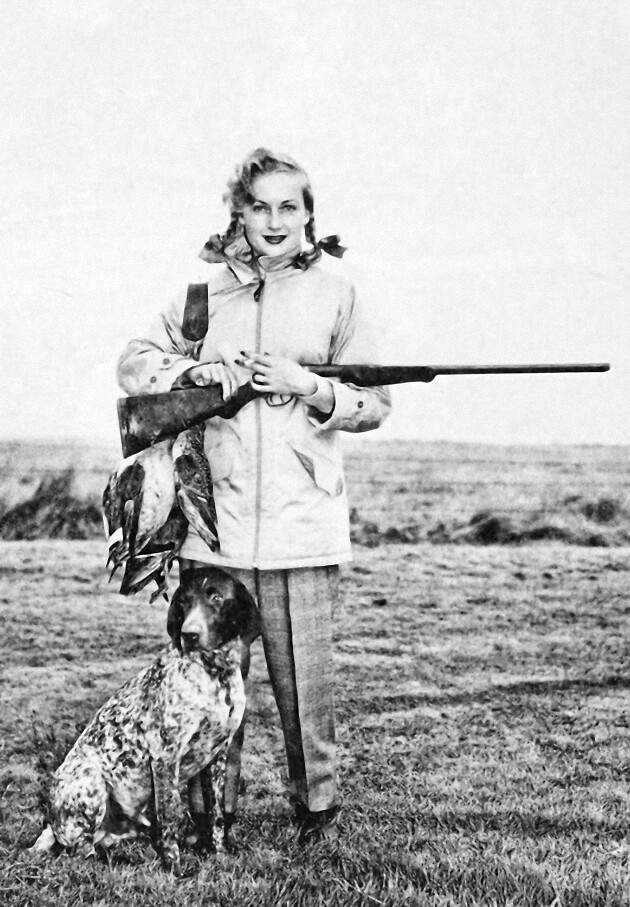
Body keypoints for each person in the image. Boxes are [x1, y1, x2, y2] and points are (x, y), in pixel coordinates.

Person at [117, 148, 391, 844]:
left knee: (308, 687)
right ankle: (212, 816)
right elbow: (135, 362)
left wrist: (311, 387)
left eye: (288, 206)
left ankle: (316, 811)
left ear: (308, 215)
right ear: (237, 212)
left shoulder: (339, 294)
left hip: (304, 523)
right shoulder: (204, 294)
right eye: (259, 206)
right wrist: (196, 373)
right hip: (217, 525)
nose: (273, 221)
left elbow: (376, 402)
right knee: (206, 680)